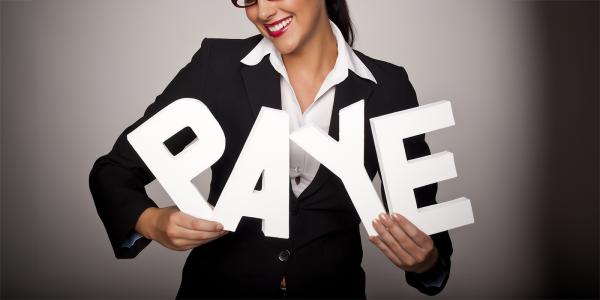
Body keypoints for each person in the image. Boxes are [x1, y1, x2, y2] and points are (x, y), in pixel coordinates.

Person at [89, 0, 453, 298]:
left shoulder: (389, 87)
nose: (262, 12)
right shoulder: (216, 66)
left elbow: (425, 220)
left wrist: (426, 260)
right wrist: (153, 222)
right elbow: (114, 172)